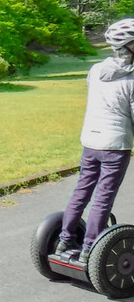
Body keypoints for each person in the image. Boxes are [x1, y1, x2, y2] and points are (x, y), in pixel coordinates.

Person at [56, 17, 134, 263]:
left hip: (90, 141)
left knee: (82, 190)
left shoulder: (96, 69)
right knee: (104, 196)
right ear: (130, 46)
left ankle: (64, 240)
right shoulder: (132, 79)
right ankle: (90, 248)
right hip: (115, 146)